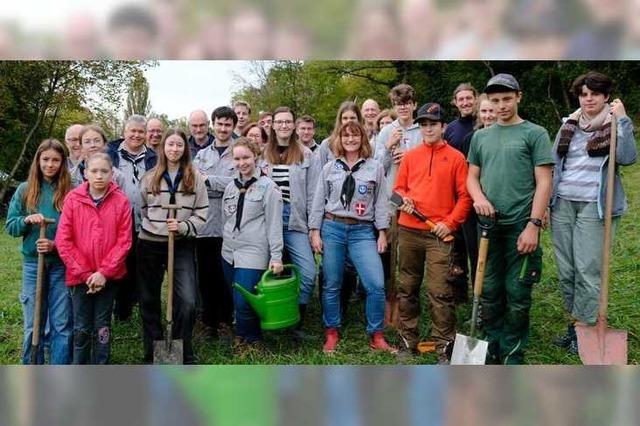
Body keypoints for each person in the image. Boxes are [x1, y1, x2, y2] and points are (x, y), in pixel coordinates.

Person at [467, 73, 554, 364]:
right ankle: (491, 347)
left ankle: (512, 353)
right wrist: (479, 198)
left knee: (517, 293)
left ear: (518, 97)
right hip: (489, 228)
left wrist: (534, 224)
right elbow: (472, 177)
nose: (501, 105)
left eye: (506, 99)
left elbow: (544, 181)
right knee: (489, 290)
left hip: (521, 226)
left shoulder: (535, 133)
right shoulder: (481, 137)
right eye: (495, 101)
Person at [550, 71, 637, 354]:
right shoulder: (568, 124)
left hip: (593, 205)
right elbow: (554, 164)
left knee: (587, 269)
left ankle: (585, 329)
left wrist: (622, 119)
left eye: (594, 94)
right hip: (563, 203)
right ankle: (574, 324)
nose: (588, 99)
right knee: (567, 271)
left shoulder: (614, 125)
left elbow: (627, 158)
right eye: (584, 94)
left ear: (606, 97)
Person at [393, 103, 473, 364]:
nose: (428, 128)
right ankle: (408, 341)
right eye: (424, 124)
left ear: (443, 126)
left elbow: (464, 197)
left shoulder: (457, 158)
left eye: (433, 124)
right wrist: (403, 199)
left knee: (440, 292)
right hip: (408, 231)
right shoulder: (410, 157)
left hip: (439, 235)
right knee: (407, 287)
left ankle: (445, 348)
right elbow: (399, 189)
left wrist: (449, 224)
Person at [309, 121, 395, 354]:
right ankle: (332, 331)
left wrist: (382, 233)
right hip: (333, 227)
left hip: (362, 231)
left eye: (355, 135)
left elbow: (380, 202)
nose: (350, 140)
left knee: (375, 284)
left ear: (362, 139)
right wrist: (315, 231)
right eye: (345, 136)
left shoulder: (374, 167)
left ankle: (376, 335)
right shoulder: (329, 168)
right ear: (339, 139)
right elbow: (318, 201)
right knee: (332, 283)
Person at [138, 128, 209, 364]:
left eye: (179, 145)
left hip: (181, 244)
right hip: (150, 244)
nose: (174, 149)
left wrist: (183, 226)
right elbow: (142, 209)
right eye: (170, 145)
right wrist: (154, 226)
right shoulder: (149, 177)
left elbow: (202, 212)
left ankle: (182, 348)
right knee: (148, 299)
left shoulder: (195, 178)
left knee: (187, 300)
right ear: (163, 148)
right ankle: (154, 349)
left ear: (185, 148)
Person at [55, 153, 132, 364]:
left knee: (102, 324)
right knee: (81, 325)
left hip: (109, 277)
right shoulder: (73, 199)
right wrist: (87, 274)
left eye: (104, 171)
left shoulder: (121, 201)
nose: (99, 176)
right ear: (85, 173)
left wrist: (103, 273)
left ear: (112, 174)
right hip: (80, 277)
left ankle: (101, 364)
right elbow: (63, 240)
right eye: (94, 171)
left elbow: (124, 241)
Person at [5, 139, 73, 364]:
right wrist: (26, 219)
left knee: (61, 323)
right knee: (33, 323)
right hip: (34, 264)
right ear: (38, 160)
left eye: (55, 160)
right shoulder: (26, 189)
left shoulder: (70, 192)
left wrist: (56, 245)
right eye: (45, 159)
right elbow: (11, 226)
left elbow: (77, 230)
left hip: (61, 265)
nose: (50, 164)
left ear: (63, 162)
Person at [261, 106, 320, 338]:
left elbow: (315, 193)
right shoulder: (262, 154)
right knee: (269, 270)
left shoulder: (307, 155)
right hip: (267, 221)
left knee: (307, 272)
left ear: (294, 125)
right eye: (279, 122)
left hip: (295, 220)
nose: (284, 126)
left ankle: (295, 322)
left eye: (288, 122)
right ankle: (272, 320)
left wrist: (313, 228)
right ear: (272, 125)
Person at [222, 138, 283, 345]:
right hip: (229, 251)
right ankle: (241, 334)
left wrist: (276, 256)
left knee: (245, 299)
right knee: (235, 298)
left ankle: (253, 339)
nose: (242, 163)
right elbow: (226, 218)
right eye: (237, 158)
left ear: (256, 156)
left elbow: (275, 225)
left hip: (253, 251)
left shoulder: (269, 187)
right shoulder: (231, 186)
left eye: (246, 157)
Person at [192, 106, 238, 337]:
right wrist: (219, 184)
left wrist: (209, 180)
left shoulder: (239, 152)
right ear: (213, 125)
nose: (223, 128)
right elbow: (195, 183)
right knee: (206, 276)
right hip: (205, 224)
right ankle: (207, 321)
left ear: (233, 126)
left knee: (226, 275)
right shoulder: (201, 155)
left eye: (228, 124)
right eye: (219, 124)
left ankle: (225, 321)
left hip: (230, 225)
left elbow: (237, 183)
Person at [108, 114, 158, 321]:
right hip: (118, 222)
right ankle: (121, 309)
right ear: (124, 133)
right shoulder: (111, 155)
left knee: (142, 266)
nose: (136, 135)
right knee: (120, 265)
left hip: (146, 221)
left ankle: (142, 305)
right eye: (132, 131)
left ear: (145, 134)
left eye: (140, 131)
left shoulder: (154, 157)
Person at [444, 83, 479, 303]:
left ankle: (480, 295)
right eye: (461, 99)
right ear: (455, 102)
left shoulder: (483, 124)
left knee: (476, 250)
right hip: (454, 196)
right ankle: (458, 295)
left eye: (469, 98)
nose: (465, 102)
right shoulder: (451, 129)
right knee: (455, 249)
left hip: (476, 196)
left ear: (475, 99)